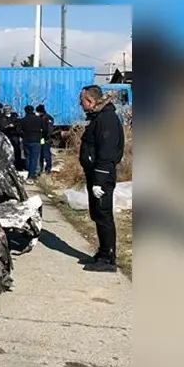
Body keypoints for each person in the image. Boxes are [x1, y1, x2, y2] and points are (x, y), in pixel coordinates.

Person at [78, 85, 125, 272]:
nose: (80, 104)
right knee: (97, 214)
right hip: (96, 174)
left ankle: (108, 258)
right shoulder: (98, 118)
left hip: (102, 177)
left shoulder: (106, 120)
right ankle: (103, 251)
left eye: (81, 101)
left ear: (90, 101)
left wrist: (99, 180)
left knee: (103, 214)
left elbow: (106, 153)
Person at [18, 105, 45, 181]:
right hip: (36, 140)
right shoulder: (39, 119)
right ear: (33, 110)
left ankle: (29, 172)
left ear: (25, 111)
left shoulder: (22, 120)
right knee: (34, 158)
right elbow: (45, 129)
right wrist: (41, 136)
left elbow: (18, 130)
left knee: (28, 157)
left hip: (26, 140)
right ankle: (32, 175)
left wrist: (23, 136)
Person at [0, 104, 23, 171]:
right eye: (6, 109)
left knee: (17, 151)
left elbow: (18, 124)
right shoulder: (1, 117)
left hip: (14, 135)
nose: (7, 110)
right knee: (6, 151)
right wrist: (6, 126)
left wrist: (14, 126)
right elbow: (1, 126)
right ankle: (7, 166)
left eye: (8, 109)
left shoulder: (14, 116)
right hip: (6, 135)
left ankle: (18, 166)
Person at [36, 104, 55, 174]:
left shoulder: (47, 118)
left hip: (46, 138)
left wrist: (46, 136)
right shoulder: (41, 117)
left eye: (37, 111)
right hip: (41, 138)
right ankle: (41, 168)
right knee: (40, 153)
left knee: (46, 153)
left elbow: (50, 130)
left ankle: (48, 168)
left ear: (40, 111)